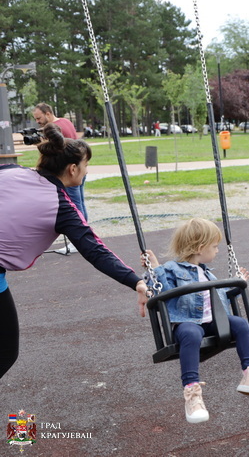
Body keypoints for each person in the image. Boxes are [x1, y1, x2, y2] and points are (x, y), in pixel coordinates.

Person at [0, 123, 149, 380]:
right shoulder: (61, 206)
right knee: (5, 351)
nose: (86, 170)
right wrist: (136, 282)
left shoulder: (11, 170)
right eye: (86, 165)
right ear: (72, 169)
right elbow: (95, 251)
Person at [143, 218, 249, 424]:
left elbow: (220, 297)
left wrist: (237, 284)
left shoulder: (208, 274)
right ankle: (192, 392)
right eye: (214, 246)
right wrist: (155, 268)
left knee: (240, 324)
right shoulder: (172, 269)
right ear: (200, 248)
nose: (217, 250)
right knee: (191, 333)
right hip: (187, 322)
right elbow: (163, 292)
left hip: (213, 321)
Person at [33, 103, 87, 255]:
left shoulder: (56, 129)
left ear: (48, 114)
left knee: (74, 206)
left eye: (39, 118)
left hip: (69, 172)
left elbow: (58, 151)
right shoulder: (66, 121)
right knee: (79, 203)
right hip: (78, 169)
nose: (38, 122)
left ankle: (79, 240)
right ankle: (83, 237)